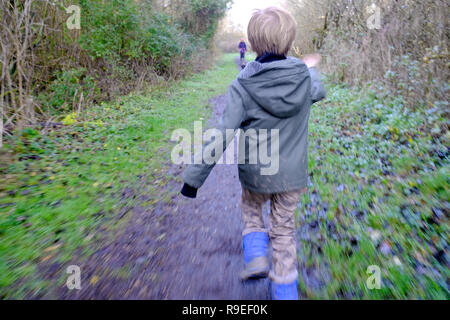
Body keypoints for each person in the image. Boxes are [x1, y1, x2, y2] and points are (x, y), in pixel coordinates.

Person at [180, 7, 326, 300]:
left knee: (251, 210)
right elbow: (319, 90)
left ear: (253, 43)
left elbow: (222, 133)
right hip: (292, 175)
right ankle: (285, 292)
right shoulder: (302, 77)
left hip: (256, 173)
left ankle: (257, 258)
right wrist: (310, 68)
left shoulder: (243, 84)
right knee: (284, 231)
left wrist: (193, 179)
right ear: (289, 42)